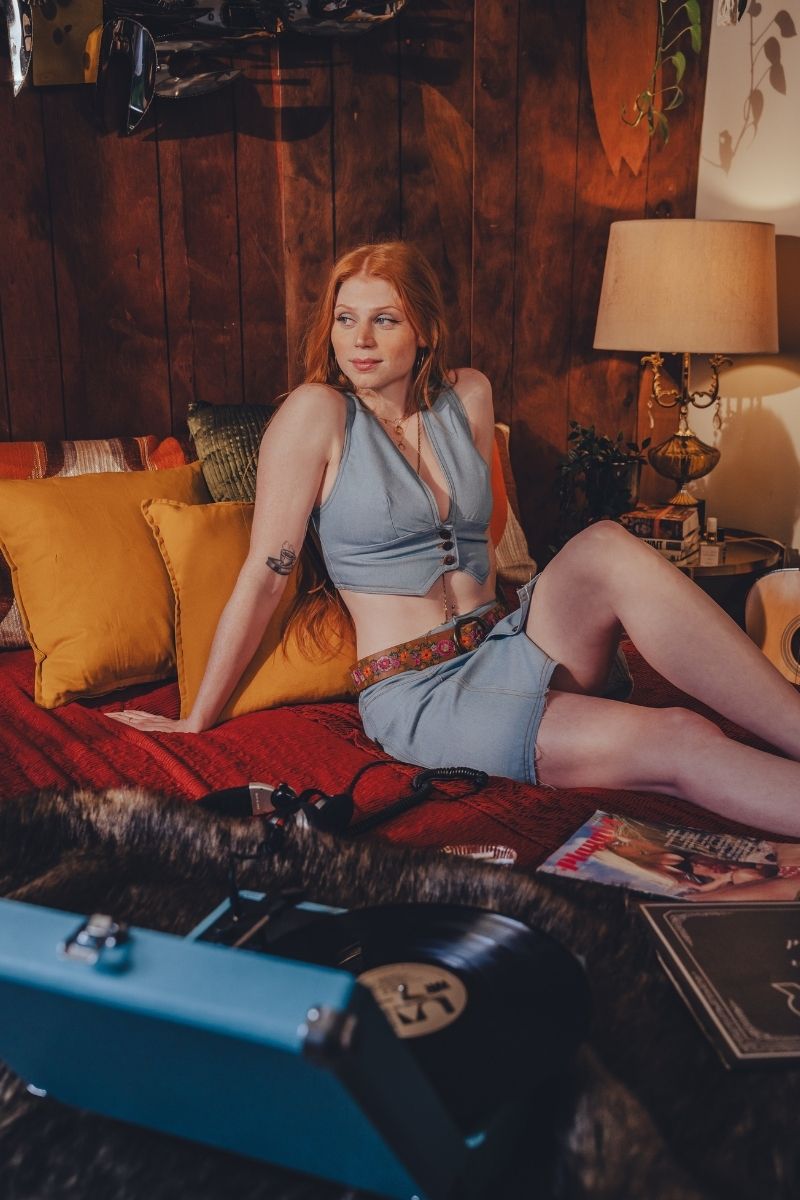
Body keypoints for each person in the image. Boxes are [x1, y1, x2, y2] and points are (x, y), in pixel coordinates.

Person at [108, 241, 800, 838]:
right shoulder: (315, 415)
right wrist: (198, 714)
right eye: (346, 320)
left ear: (425, 332)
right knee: (681, 735)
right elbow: (266, 574)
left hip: (507, 639)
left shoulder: (467, 395)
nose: (361, 341)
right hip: (424, 692)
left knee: (605, 544)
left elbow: (486, 535)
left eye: (385, 320)